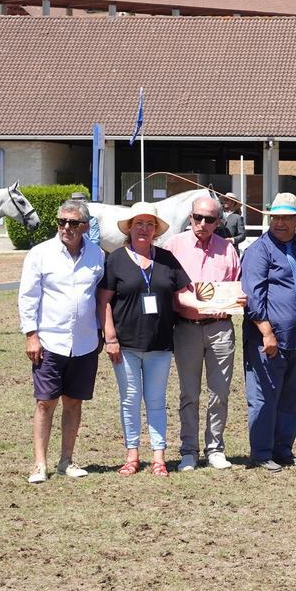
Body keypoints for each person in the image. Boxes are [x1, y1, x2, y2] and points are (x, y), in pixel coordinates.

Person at [98, 202, 203, 478]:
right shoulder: (116, 258)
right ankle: (132, 455)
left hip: (160, 344)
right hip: (126, 345)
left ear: (155, 231)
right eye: (138, 224)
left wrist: (215, 302)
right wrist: (110, 337)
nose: (143, 229)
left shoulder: (167, 259)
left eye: (149, 225)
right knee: (130, 400)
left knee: (156, 401)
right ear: (130, 229)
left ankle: (159, 456)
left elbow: (184, 294)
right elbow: (104, 300)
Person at [18, 200, 105, 484]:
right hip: (49, 341)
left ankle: (66, 460)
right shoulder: (40, 254)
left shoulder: (98, 255)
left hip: (85, 342)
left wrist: (104, 333)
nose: (66, 227)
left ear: (85, 226)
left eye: (73, 223)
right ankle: (39, 464)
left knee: (74, 402)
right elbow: (28, 297)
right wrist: (31, 335)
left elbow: (101, 297)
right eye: (61, 222)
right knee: (45, 403)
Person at [163, 196, 245, 471]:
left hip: (220, 329)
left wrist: (237, 301)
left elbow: (236, 285)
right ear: (190, 218)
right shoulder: (173, 246)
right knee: (189, 394)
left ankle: (215, 449)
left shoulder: (228, 249)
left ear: (218, 222)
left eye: (209, 219)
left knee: (219, 392)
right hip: (186, 328)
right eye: (198, 217)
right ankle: (189, 450)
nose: (202, 223)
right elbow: (167, 287)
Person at [240, 193, 296, 472]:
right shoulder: (259, 250)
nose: (280, 223)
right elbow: (253, 294)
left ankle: (283, 450)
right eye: (276, 218)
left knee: (293, 397)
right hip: (270, 337)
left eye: (287, 217)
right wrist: (266, 332)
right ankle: (261, 453)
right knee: (264, 395)